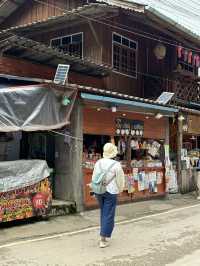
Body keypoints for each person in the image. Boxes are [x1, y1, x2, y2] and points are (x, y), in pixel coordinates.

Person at [92, 143, 125, 248]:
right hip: (111, 192)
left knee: (104, 212)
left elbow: (94, 177)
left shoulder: (98, 162)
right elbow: (120, 180)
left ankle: (103, 235)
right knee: (108, 214)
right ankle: (103, 239)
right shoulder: (116, 165)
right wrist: (120, 189)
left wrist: (94, 189)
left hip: (99, 191)